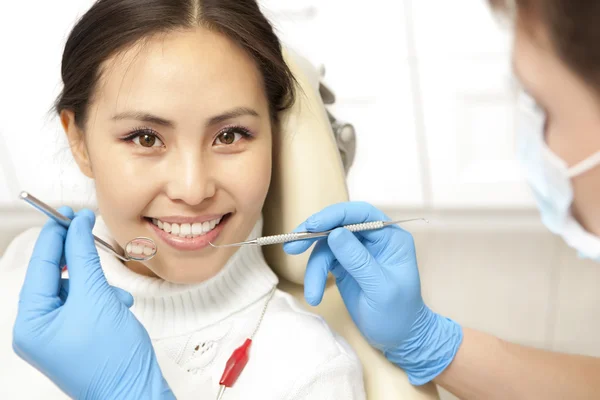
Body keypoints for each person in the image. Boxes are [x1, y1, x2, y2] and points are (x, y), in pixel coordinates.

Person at [0, 0, 365, 399]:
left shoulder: (311, 372)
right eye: (145, 138)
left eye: (229, 136)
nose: (193, 191)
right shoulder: (23, 268)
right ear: (79, 141)